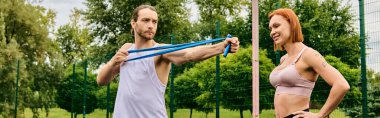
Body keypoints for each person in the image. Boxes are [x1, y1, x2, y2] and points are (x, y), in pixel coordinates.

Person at [96, 4, 239, 118]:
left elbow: (189, 54)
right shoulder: (126, 49)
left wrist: (221, 47)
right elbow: (101, 80)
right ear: (133, 23)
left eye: (154, 21)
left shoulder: (160, 51)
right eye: (146, 20)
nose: (151, 25)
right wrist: (112, 63)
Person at [268, 8, 350, 118]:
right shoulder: (283, 59)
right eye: (270, 28)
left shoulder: (308, 55)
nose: (272, 32)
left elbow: (342, 84)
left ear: (292, 25)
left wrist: (320, 115)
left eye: (276, 26)